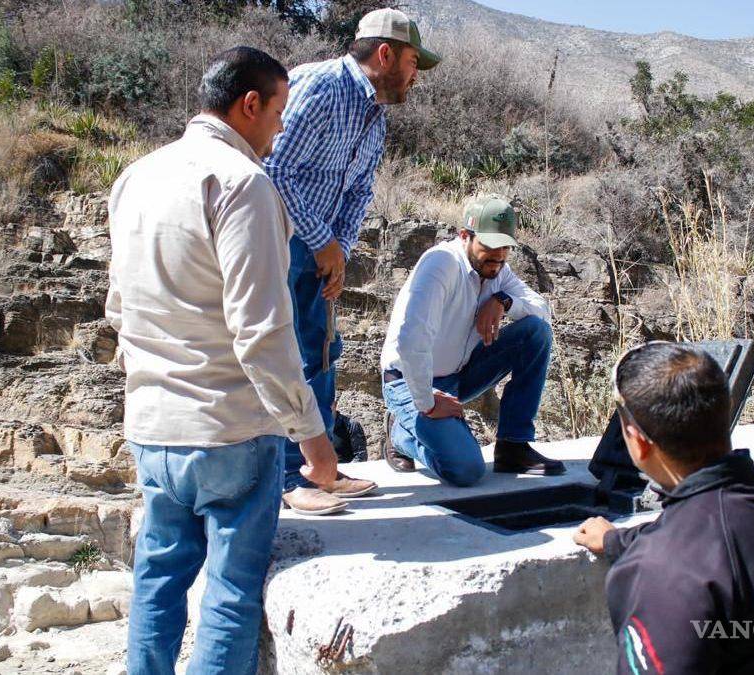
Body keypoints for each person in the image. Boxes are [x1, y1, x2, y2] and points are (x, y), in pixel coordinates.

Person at [106, 47, 338, 675]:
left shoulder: (135, 176)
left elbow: (119, 310)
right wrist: (314, 442)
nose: (281, 129)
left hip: (153, 430)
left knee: (157, 582)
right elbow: (261, 332)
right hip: (231, 430)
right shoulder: (244, 183)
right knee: (231, 596)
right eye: (279, 112)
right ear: (250, 104)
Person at [264, 7, 441, 515]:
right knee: (284, 357)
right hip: (281, 243)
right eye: (411, 62)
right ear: (384, 54)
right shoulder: (319, 87)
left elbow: (359, 189)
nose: (414, 75)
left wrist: (338, 249)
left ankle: (318, 470)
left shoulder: (375, 113)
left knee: (320, 354)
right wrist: (321, 241)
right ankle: (284, 478)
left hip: (321, 250)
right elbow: (275, 167)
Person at [574, 341, 754, 674]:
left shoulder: (660, 574)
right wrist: (615, 541)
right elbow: (711, 541)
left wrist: (641, 555)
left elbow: (692, 553)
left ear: (637, 440)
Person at [379, 194, 566, 487]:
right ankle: (402, 434)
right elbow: (410, 339)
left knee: (535, 332)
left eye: (505, 246)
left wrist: (503, 301)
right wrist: (426, 402)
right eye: (490, 245)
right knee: (466, 470)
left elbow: (543, 311)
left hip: (459, 377)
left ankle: (513, 446)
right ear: (465, 235)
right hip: (409, 381)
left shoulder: (497, 270)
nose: (499, 255)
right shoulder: (441, 264)